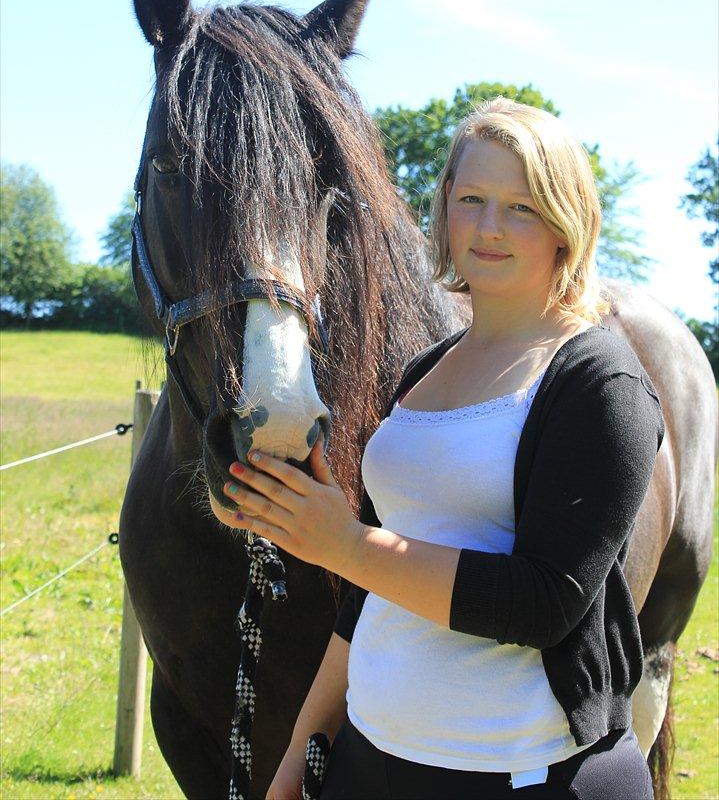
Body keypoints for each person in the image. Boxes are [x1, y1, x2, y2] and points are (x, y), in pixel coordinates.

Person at [216, 97, 664, 799]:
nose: (488, 227)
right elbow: (371, 588)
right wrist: (302, 753)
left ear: (565, 224)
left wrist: (344, 544)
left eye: (522, 206)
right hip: (370, 762)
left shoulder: (598, 380)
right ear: (444, 208)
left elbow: (546, 602)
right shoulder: (425, 371)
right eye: (472, 198)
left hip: (522, 776)